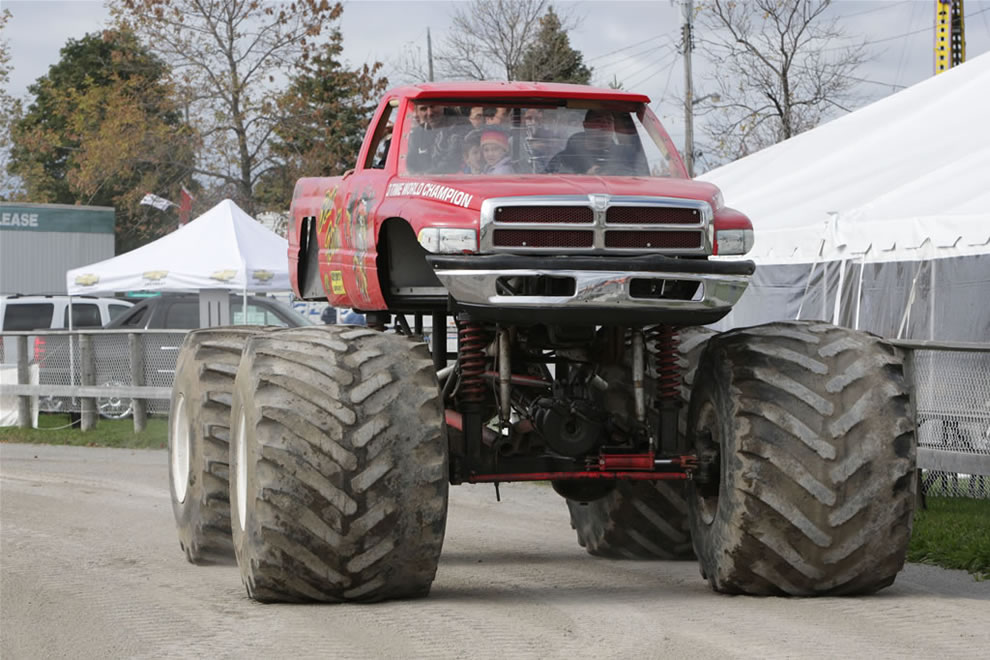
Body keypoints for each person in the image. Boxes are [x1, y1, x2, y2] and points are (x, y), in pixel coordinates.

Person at [544, 109, 644, 175]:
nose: (605, 125)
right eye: (598, 121)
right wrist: (583, 178)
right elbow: (547, 184)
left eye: (609, 121)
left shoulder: (627, 155)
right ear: (585, 125)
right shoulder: (565, 159)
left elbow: (643, 182)